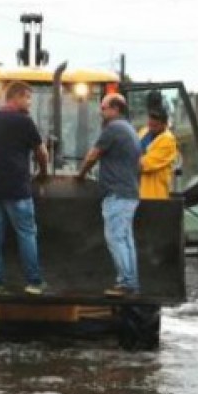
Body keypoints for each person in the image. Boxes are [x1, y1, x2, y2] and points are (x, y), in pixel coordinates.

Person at [0, 81, 49, 295]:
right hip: (17, 188)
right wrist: (43, 173)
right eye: (28, 98)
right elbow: (42, 152)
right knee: (26, 232)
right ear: (16, 97)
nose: (29, 103)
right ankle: (34, 283)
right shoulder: (24, 121)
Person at [77, 93, 141, 297]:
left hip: (116, 194)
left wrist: (81, 174)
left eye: (103, 108)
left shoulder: (113, 129)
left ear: (115, 109)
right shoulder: (130, 130)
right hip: (130, 193)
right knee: (126, 239)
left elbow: (92, 155)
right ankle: (131, 282)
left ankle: (125, 283)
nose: (100, 111)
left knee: (115, 238)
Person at [137, 99, 178, 199]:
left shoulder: (168, 141)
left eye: (155, 124)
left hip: (155, 196)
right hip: (138, 194)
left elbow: (144, 165)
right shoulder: (144, 132)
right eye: (150, 122)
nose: (151, 126)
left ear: (164, 124)